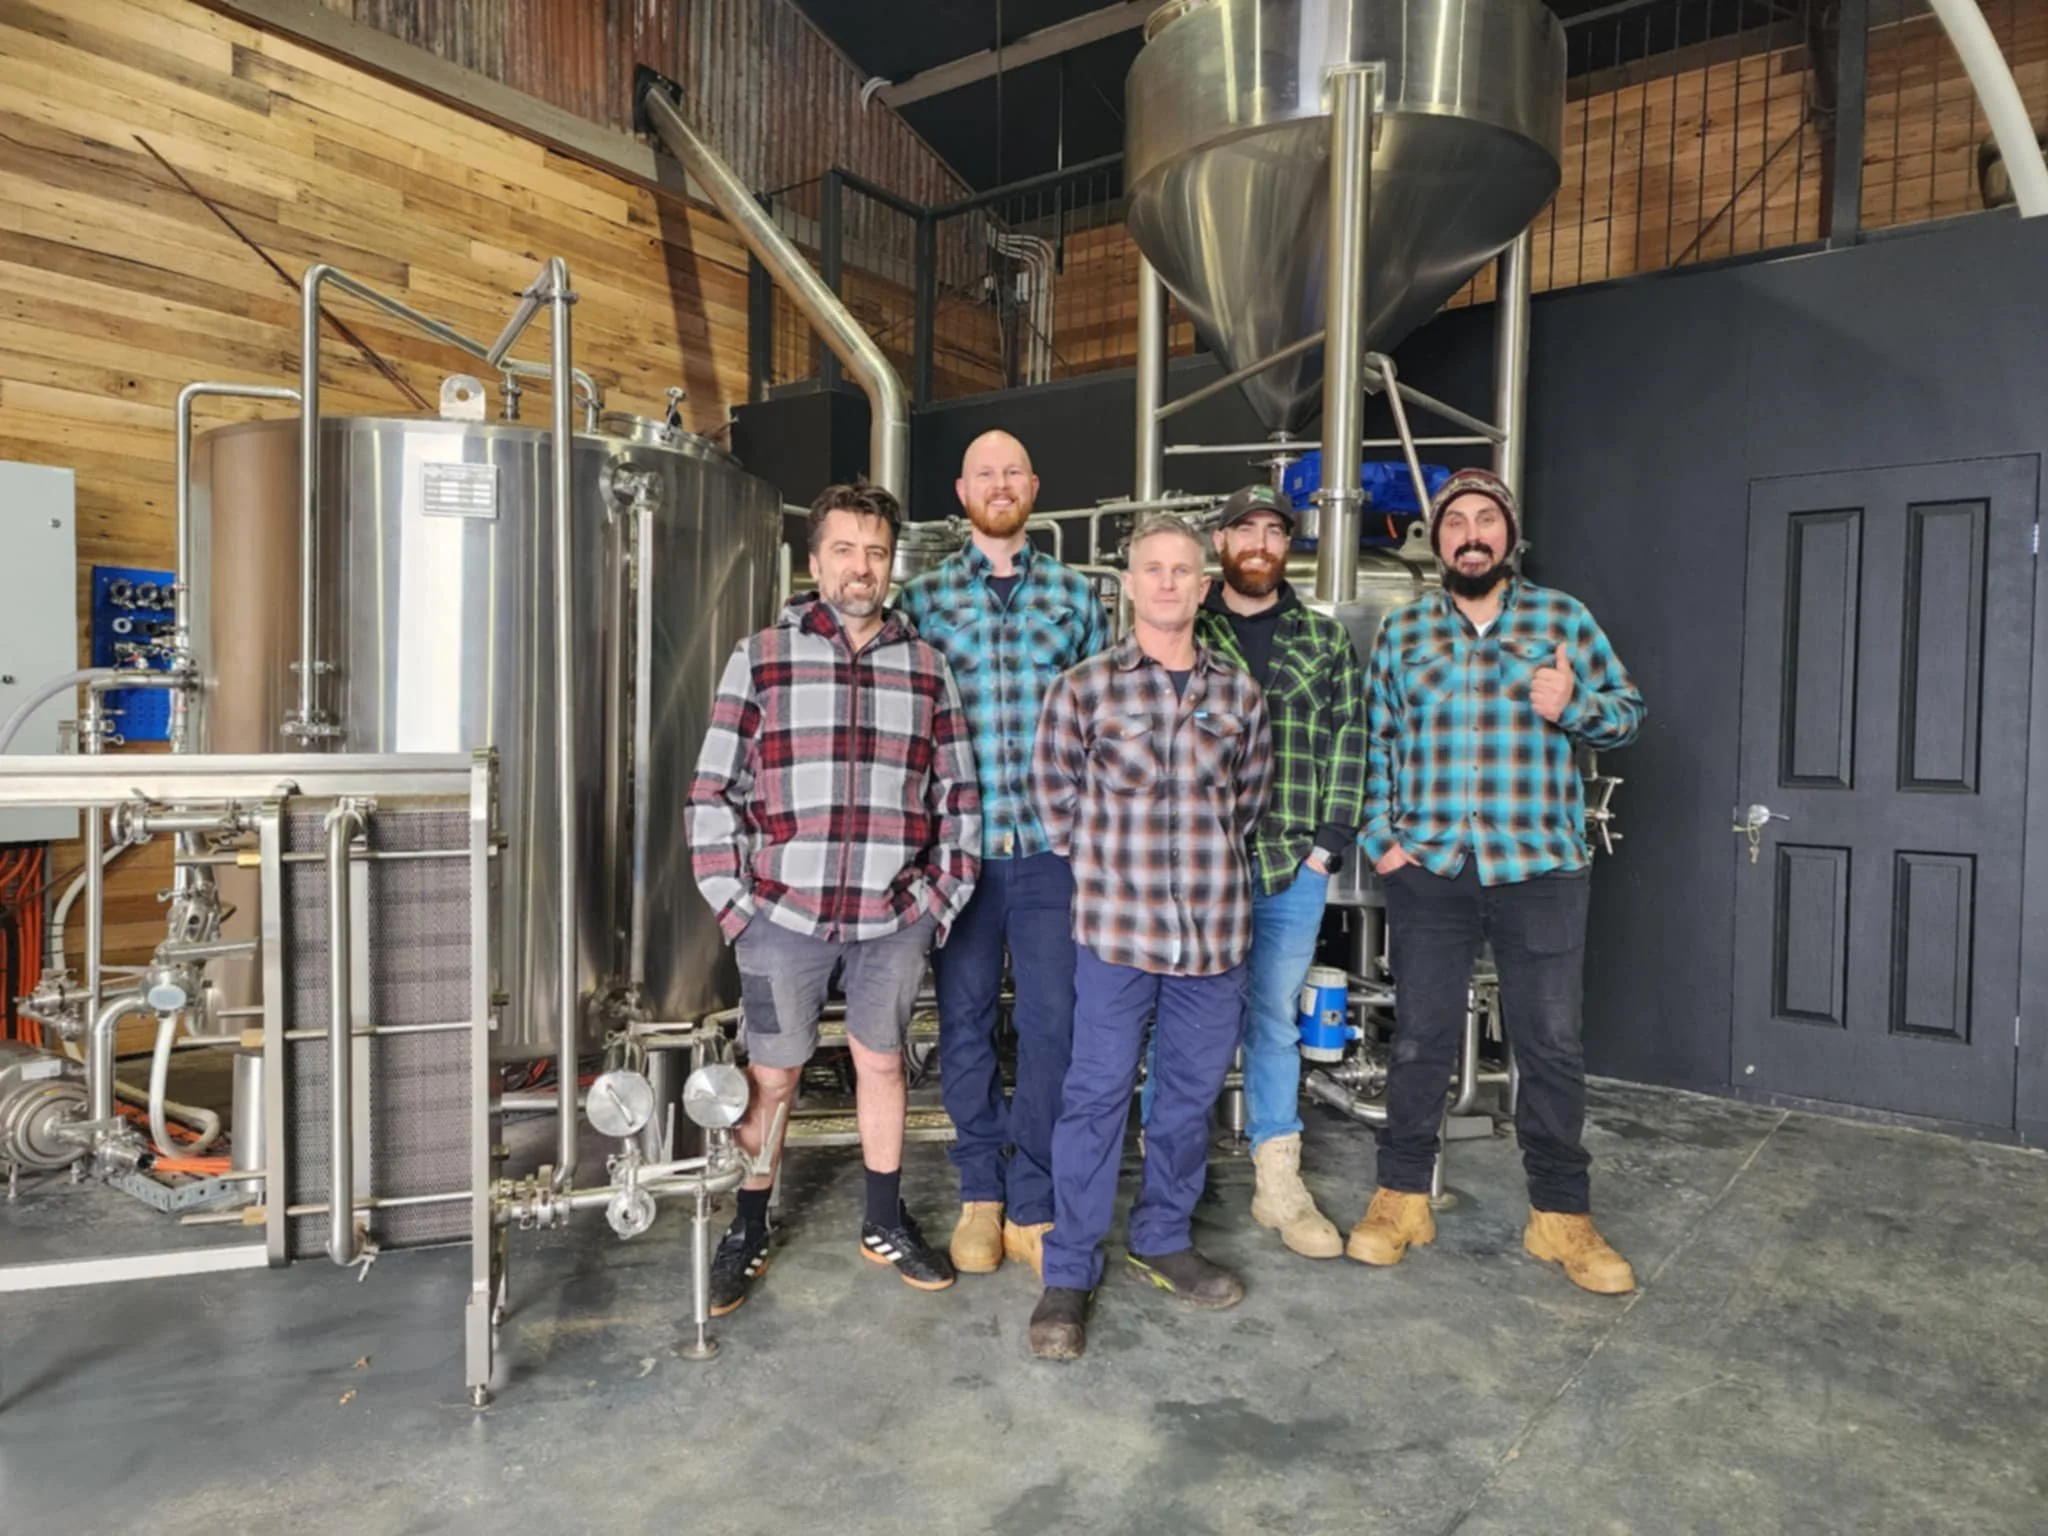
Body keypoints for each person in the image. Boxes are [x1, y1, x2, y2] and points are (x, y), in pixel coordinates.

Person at [686, 482, 981, 1316]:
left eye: (877, 552)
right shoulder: (762, 657)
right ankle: (748, 1225)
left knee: (882, 1064)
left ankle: (883, 1220)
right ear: (814, 562)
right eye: (845, 550)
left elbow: (958, 797)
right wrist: (735, 905)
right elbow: (712, 792)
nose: (862, 568)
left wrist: (937, 899)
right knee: (773, 1077)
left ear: (892, 564)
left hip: (891, 918)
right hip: (784, 917)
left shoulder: (926, 668)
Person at [1351, 468, 1646, 1294]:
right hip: (1432, 867)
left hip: (1539, 868)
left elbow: (1628, 715)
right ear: (1437, 541)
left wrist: (1575, 702)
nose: (1471, 533)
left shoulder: (1563, 619)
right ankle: (1402, 1196)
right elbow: (1375, 745)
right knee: (1418, 1038)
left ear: (1509, 537)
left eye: (1487, 520)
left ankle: (1561, 1217)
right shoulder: (1406, 632)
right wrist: (1382, 842)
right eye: (1456, 523)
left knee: (1550, 1043)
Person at [1023, 513, 1273, 1360]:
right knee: (1094, 1097)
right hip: (1116, 937)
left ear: (1204, 588)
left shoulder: (1238, 696)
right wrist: (1111, 872)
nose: (1168, 582)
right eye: (1152, 569)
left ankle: (1163, 1236)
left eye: (1183, 570)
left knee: (1187, 1099)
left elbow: (1247, 802)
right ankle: (1069, 1269)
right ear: (1128, 586)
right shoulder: (1083, 689)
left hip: (1213, 938)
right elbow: (1056, 803)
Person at [897, 431, 1109, 1280]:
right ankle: (980, 1191)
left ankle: (1033, 1196)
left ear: (1034, 486)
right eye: (984, 472)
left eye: (1013, 471)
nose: (999, 483)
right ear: (962, 489)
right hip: (961, 850)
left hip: (1056, 848)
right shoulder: (924, 598)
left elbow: (1105, 718)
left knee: (1056, 1025)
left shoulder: (1075, 595)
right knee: (966, 1022)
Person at [1192, 484, 1366, 1259]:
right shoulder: (1182, 629)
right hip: (1194, 869)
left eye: (1273, 530)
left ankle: (1277, 1182)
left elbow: (1351, 745)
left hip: (1291, 866)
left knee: (1271, 1022)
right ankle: (1176, 1174)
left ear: (1287, 545)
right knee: (1184, 1024)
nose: (1259, 542)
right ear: (1221, 543)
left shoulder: (1324, 642)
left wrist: (1328, 845)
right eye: (1244, 529)